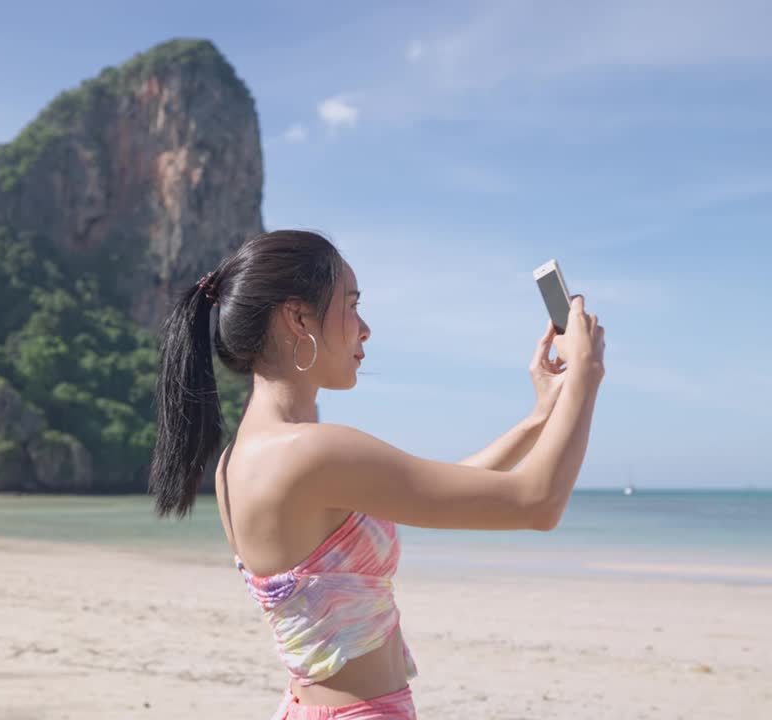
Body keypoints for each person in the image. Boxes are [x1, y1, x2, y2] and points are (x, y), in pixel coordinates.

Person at [149, 230, 605, 719]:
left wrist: (540, 417)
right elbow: (537, 503)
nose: (364, 329)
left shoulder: (243, 458)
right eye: (351, 306)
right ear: (298, 317)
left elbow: (438, 487)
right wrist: (585, 371)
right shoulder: (311, 453)